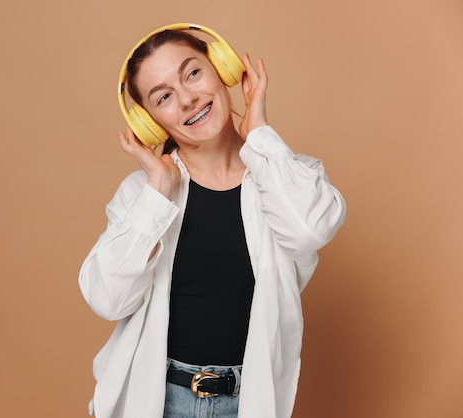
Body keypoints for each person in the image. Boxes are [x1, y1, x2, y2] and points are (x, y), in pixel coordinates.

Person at [78, 23, 346, 418]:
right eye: (164, 96)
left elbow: (309, 232)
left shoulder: (288, 175)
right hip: (159, 399)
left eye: (193, 73)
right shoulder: (142, 195)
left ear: (221, 70)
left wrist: (259, 134)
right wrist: (158, 195)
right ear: (150, 122)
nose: (187, 98)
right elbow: (108, 299)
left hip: (250, 400)